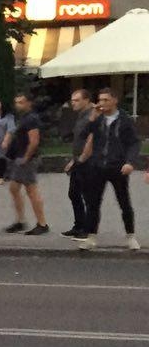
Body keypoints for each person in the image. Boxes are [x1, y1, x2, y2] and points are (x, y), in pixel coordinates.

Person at [77, 87, 141, 251]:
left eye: (106, 100)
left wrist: (130, 162)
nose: (102, 103)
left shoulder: (124, 119)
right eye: (100, 100)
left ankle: (130, 236)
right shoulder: (97, 119)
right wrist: (92, 118)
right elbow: (82, 135)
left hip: (118, 166)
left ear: (114, 100)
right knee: (93, 202)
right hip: (98, 166)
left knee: (124, 202)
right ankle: (91, 237)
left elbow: (134, 143)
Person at [0, 92, 48, 235]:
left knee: (31, 190)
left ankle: (42, 223)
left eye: (21, 102)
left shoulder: (32, 119)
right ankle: (20, 221)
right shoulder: (24, 118)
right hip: (18, 158)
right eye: (16, 102)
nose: (18, 105)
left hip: (26, 159)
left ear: (29, 103)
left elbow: (34, 141)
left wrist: (26, 157)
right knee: (14, 188)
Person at [62, 89, 98, 239]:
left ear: (87, 100)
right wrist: (73, 160)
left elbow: (92, 140)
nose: (73, 103)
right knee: (74, 193)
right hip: (78, 160)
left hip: (89, 161)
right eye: (72, 100)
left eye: (76, 100)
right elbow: (79, 140)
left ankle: (88, 230)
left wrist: (82, 158)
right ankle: (79, 225)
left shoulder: (93, 115)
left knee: (88, 196)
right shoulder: (81, 115)